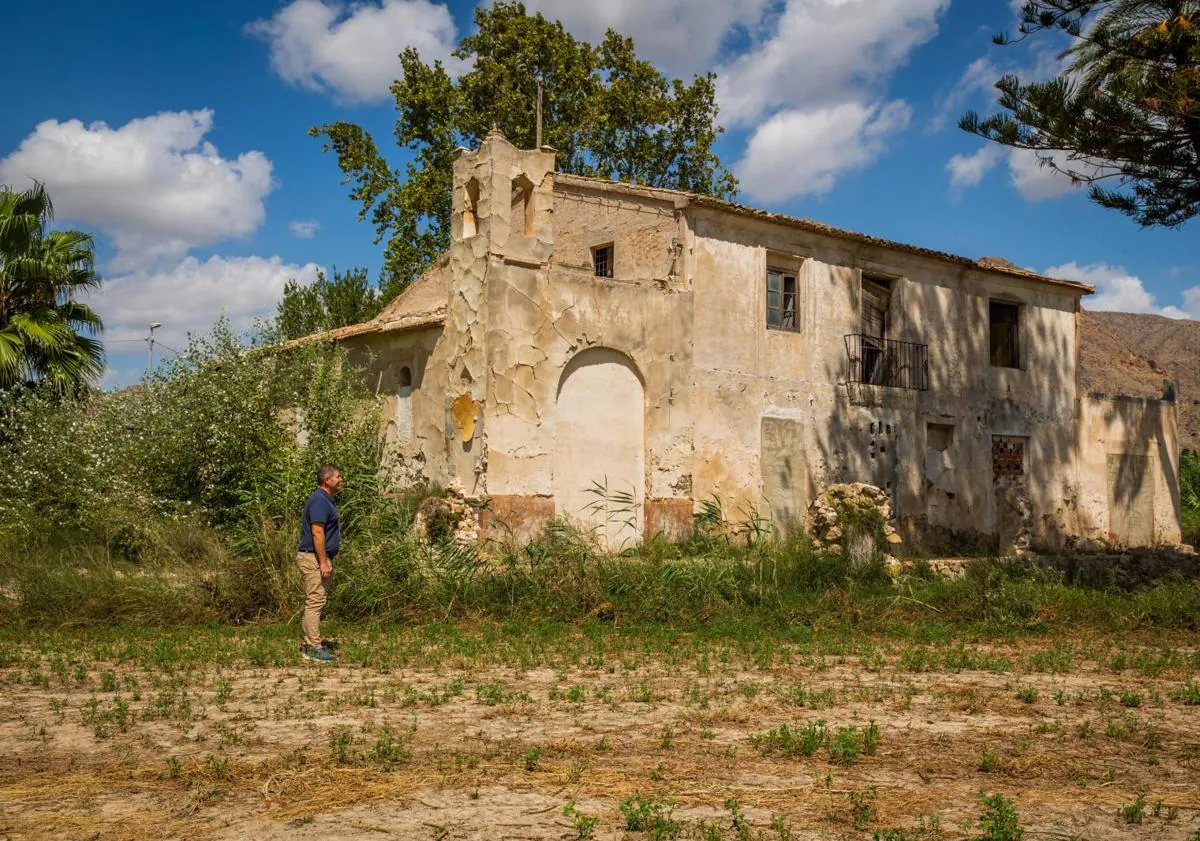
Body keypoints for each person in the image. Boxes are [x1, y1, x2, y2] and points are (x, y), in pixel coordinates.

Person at [297, 464, 342, 662]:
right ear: (327, 480)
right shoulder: (320, 501)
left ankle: (309, 644)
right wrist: (323, 562)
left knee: (314, 601)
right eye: (338, 477)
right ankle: (314, 647)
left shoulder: (325, 500)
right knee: (315, 601)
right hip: (313, 558)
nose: (340, 480)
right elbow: (317, 532)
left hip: (316, 557)